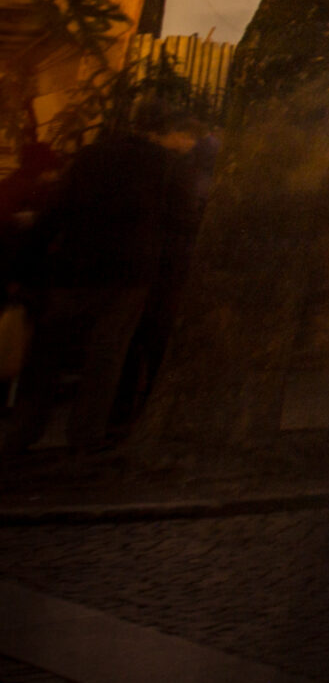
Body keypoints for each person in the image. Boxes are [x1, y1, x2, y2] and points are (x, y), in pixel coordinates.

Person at [3, 100, 197, 455]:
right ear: (166, 131)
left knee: (48, 349)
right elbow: (182, 223)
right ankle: (86, 433)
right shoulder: (169, 166)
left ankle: (24, 429)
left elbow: (56, 209)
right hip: (130, 271)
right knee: (107, 353)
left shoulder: (92, 156)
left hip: (76, 265)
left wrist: (23, 265)